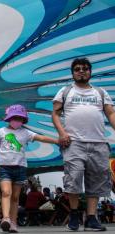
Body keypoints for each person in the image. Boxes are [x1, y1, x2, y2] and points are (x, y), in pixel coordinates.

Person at [52, 58, 115, 232]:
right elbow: (55, 114)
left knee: (96, 180)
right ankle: (74, 214)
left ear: (90, 72)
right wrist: (62, 133)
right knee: (73, 178)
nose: (82, 71)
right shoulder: (65, 91)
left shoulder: (100, 92)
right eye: (78, 69)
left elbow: (110, 114)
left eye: (85, 69)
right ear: (73, 73)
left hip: (99, 142)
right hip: (73, 143)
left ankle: (92, 219)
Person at [0, 104, 58, 232]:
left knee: (15, 197)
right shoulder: (1, 131)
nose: (17, 121)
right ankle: (6, 218)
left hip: (20, 168)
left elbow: (41, 137)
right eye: (15, 118)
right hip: (4, 167)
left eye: (20, 118)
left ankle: (13, 223)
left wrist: (57, 141)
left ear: (23, 120)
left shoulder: (26, 132)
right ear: (9, 118)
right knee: (6, 192)